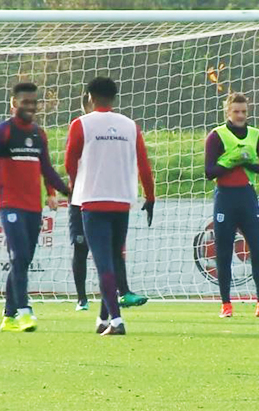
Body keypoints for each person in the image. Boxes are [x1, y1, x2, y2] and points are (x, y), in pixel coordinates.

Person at [66, 77, 155, 335]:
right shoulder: (129, 126)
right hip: (122, 201)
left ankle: (116, 320)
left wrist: (77, 181)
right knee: (115, 258)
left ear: (90, 97)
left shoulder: (81, 124)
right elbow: (144, 165)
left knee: (103, 262)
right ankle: (103, 319)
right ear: (114, 97)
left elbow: (70, 161)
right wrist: (150, 196)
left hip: (93, 200)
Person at [0, 82, 70, 332]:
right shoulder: (3, 132)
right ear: (14, 104)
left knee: (23, 260)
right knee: (18, 256)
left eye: (33, 102)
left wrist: (65, 191)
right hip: (9, 205)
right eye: (25, 102)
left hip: (33, 207)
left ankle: (8, 316)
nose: (30, 107)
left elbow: (47, 169)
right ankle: (24, 311)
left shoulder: (38, 134)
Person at [204, 92, 259, 318]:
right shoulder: (217, 136)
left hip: (247, 197)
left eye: (244, 111)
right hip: (225, 198)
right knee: (224, 252)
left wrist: (247, 161)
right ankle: (226, 305)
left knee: (258, 248)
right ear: (227, 112)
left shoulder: (256, 135)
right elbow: (210, 172)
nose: (240, 115)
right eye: (236, 111)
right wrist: (231, 160)